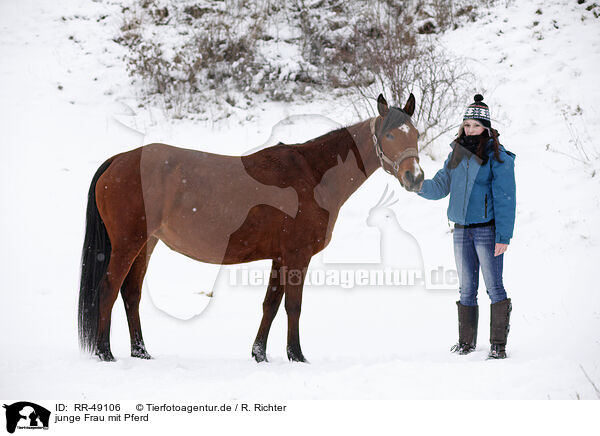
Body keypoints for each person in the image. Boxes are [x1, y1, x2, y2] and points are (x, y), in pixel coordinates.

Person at [417, 94, 516, 359]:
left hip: (487, 230)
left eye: (475, 124)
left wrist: (503, 235)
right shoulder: (456, 154)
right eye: (467, 124)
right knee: (466, 288)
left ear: (486, 126)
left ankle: (498, 345)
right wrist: (417, 184)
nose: (470, 129)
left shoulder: (498, 156)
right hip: (461, 230)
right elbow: (439, 186)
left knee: (494, 287)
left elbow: (506, 198)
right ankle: (466, 343)